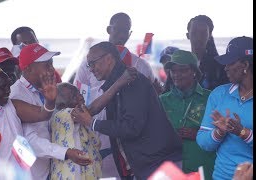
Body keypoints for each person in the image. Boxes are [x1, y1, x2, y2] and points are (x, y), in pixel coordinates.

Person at [71, 41, 182, 180]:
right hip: (145, 165)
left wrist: (93, 123)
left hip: (159, 165)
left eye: (92, 63)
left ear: (109, 59)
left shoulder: (132, 82)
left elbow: (131, 128)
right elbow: (91, 109)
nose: (91, 69)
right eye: (89, 65)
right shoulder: (118, 83)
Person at [73, 13, 155, 178]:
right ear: (109, 29)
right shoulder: (87, 63)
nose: (122, 35)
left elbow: (151, 97)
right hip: (97, 136)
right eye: (118, 30)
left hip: (131, 139)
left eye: (126, 31)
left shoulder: (141, 64)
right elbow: (77, 96)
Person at [9, 43, 87, 180]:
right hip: (31, 174)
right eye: (47, 66)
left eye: (51, 64)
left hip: (48, 170)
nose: (52, 70)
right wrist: (66, 152)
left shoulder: (43, 89)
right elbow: (30, 141)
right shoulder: (17, 95)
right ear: (28, 69)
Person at [0, 58, 57, 171]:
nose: (8, 90)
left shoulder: (12, 106)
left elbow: (43, 114)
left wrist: (50, 101)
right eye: (2, 87)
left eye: (8, 85)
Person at [196, 36, 253, 180]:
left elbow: (243, 133)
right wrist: (219, 132)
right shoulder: (219, 94)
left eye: (230, 63)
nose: (225, 68)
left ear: (245, 65)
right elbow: (203, 142)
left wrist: (243, 132)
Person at [159, 50, 216, 180]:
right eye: (173, 71)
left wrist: (199, 134)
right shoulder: (162, 101)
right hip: (171, 170)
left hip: (203, 168)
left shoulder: (211, 98)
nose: (176, 75)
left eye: (182, 70)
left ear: (194, 72)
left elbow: (223, 133)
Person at [50, 83, 102, 180]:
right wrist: (118, 84)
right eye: (74, 96)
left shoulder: (80, 120)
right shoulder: (63, 115)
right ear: (63, 105)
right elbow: (91, 109)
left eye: (78, 92)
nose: (80, 96)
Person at [186, 15, 228, 90]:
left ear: (209, 36)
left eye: (203, 33)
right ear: (187, 35)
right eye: (194, 32)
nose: (198, 37)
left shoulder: (220, 67)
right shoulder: (179, 64)